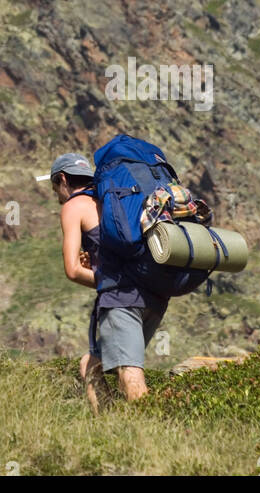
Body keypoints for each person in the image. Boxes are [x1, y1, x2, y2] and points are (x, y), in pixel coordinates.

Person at [46, 151, 168, 407]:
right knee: (90, 364)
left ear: (63, 179)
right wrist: (103, 270)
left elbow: (72, 270)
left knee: (129, 372)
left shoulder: (74, 206)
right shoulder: (118, 200)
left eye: (54, 186)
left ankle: (152, 433)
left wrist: (100, 277)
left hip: (122, 298)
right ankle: (112, 430)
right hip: (155, 295)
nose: (56, 195)